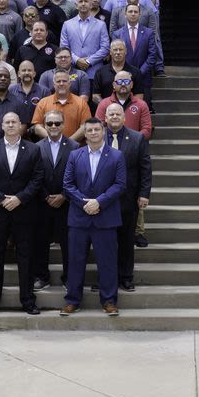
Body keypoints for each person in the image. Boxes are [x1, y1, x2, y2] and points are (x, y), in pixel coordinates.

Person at [0, 112, 44, 316]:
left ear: (21, 125)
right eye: (7, 122)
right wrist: (1, 199)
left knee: (26, 258)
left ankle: (28, 300)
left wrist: (19, 199)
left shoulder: (33, 149)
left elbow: (37, 178)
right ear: (2, 125)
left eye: (14, 121)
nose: (11, 125)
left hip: (24, 212)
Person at [60, 118, 127, 317]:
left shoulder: (116, 156)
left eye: (97, 129)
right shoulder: (75, 155)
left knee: (107, 262)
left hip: (105, 218)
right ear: (85, 133)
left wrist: (99, 202)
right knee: (75, 261)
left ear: (103, 131)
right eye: (89, 130)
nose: (93, 133)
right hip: (79, 219)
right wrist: (84, 203)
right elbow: (67, 184)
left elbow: (120, 185)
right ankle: (72, 300)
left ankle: (109, 301)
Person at [103, 103, 153, 292]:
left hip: (128, 199)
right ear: (105, 118)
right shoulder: (97, 137)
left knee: (125, 241)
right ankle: (107, 278)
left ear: (124, 118)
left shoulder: (137, 138)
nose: (114, 117)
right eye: (111, 114)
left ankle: (126, 277)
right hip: (103, 200)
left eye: (118, 114)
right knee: (105, 242)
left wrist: (143, 194)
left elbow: (145, 168)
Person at [32, 110, 78, 291]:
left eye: (57, 123)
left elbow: (77, 176)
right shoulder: (36, 147)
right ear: (44, 125)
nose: (53, 127)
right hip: (42, 202)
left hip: (66, 203)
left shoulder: (74, 147)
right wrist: (45, 196)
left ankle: (69, 277)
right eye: (49, 123)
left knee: (68, 243)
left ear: (63, 125)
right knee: (41, 242)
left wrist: (64, 196)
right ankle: (42, 277)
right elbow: (35, 175)